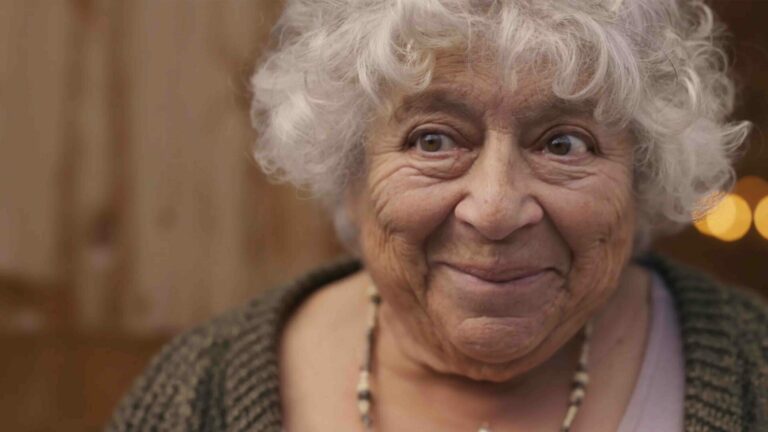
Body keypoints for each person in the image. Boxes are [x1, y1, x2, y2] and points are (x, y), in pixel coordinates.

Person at [106, 1, 768, 431]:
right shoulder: (198, 396)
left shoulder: (753, 374)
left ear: (641, 175)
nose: (495, 209)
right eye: (433, 140)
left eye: (564, 144)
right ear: (349, 166)